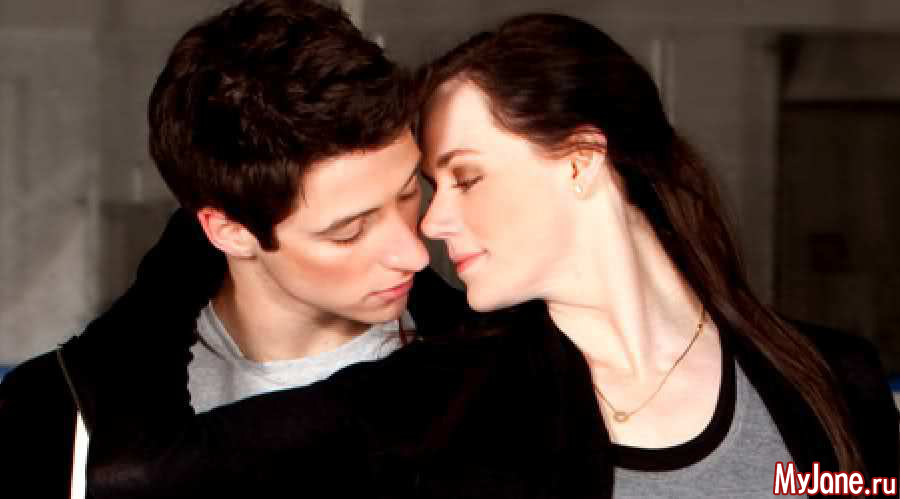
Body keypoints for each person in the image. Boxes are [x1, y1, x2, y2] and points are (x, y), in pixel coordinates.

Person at [28, 12, 898, 499]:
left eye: (443, 182)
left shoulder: (839, 378)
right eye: (349, 228)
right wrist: (183, 256)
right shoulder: (446, 394)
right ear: (227, 230)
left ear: (582, 159)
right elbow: (144, 474)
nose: (425, 236)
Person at [0, 1, 469, 496]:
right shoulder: (56, 416)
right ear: (230, 231)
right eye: (349, 231)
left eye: (409, 193)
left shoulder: (494, 388)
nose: (416, 253)